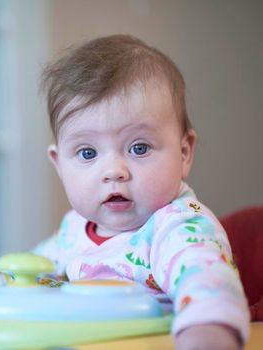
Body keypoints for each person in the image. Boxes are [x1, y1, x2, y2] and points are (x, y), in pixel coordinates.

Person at [34, 34, 250, 349]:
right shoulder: (73, 230)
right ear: (59, 165)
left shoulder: (177, 228)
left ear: (184, 152)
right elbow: (30, 271)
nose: (113, 171)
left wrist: (208, 331)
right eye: (88, 153)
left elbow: (207, 283)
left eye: (138, 147)